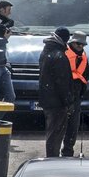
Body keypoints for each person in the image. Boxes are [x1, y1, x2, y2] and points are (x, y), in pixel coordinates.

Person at [38, 27, 75, 157]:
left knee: (51, 132)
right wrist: (68, 102)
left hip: (48, 100)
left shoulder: (47, 51)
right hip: (57, 103)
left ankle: (52, 156)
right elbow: (62, 83)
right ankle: (52, 159)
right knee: (55, 134)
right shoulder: (59, 56)